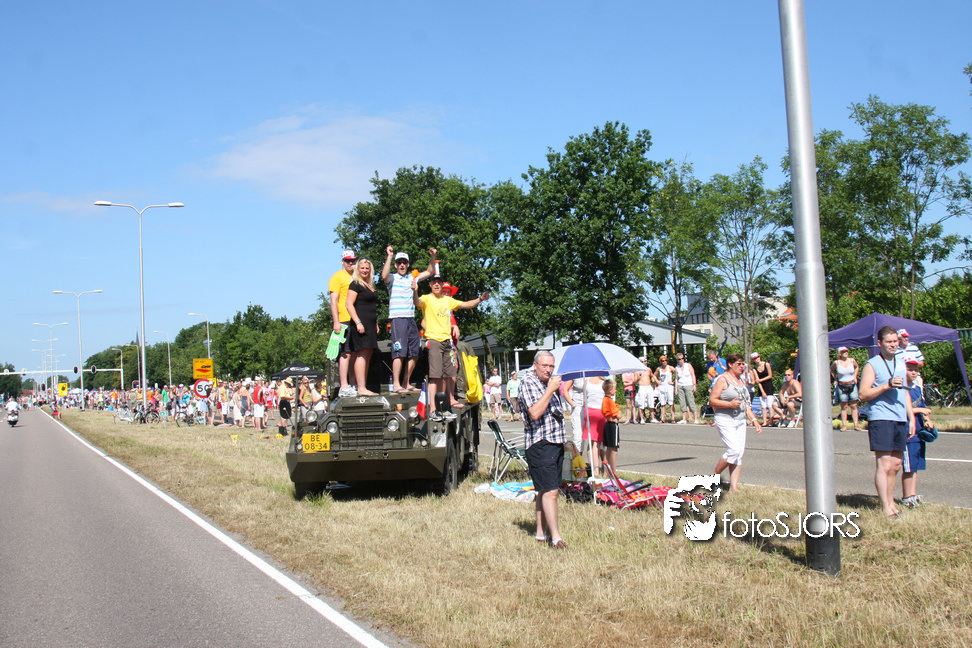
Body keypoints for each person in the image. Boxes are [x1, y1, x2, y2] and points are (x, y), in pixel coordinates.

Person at [414, 274, 489, 421]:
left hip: (447, 342)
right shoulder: (427, 298)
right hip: (434, 341)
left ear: (442, 285)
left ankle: (444, 408)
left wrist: (480, 299)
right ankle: (433, 410)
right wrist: (415, 290)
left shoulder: (447, 300)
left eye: (439, 283)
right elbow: (417, 302)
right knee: (435, 377)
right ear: (430, 285)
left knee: (447, 376)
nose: (437, 285)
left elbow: (466, 304)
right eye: (434, 282)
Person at [858, 325, 915, 519]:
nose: (893, 345)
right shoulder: (872, 364)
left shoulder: (901, 362)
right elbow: (863, 394)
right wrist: (886, 385)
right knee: (884, 464)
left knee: (896, 464)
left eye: (895, 341)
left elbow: (905, 392)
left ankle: (891, 503)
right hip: (881, 417)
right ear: (880, 343)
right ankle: (885, 507)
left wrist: (911, 417)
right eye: (889, 342)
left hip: (899, 417)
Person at [518, 351, 567, 549]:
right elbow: (535, 413)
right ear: (535, 365)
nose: (548, 370)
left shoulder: (547, 383)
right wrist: (551, 390)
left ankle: (541, 534)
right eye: (544, 366)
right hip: (540, 443)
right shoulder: (529, 383)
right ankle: (556, 538)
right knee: (551, 491)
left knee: (544, 490)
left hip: (555, 442)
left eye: (551, 366)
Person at [382, 246, 436, 393]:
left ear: (408, 264)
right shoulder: (392, 277)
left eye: (404, 262)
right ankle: (396, 385)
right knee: (399, 352)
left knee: (415, 352)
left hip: (410, 318)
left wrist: (433, 256)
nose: (402, 265)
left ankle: (406, 383)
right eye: (399, 262)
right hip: (397, 318)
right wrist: (389, 256)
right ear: (395, 265)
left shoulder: (413, 277)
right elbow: (384, 276)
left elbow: (430, 272)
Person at [709, 353, 762, 494]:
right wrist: (729, 404)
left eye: (743, 364)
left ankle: (734, 487)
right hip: (725, 418)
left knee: (739, 454)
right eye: (739, 364)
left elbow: (745, 403)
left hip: (740, 420)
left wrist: (754, 420)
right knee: (733, 450)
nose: (742, 366)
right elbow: (712, 400)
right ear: (730, 364)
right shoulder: (723, 379)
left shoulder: (741, 380)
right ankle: (714, 476)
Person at [346, 257, 380, 396]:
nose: (365, 270)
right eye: (362, 268)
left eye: (367, 268)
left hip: (370, 324)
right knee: (362, 354)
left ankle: (363, 386)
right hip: (361, 324)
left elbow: (370, 306)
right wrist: (358, 322)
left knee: (368, 354)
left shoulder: (369, 285)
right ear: (357, 269)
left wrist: (375, 323)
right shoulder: (355, 284)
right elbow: (349, 304)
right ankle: (360, 387)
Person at [902, 359, 931, 508]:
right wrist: (920, 410)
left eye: (916, 370)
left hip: (919, 431)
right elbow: (903, 409)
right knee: (909, 467)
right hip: (909, 432)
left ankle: (913, 495)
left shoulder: (917, 388)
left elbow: (922, 405)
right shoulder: (902, 389)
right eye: (910, 369)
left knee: (916, 465)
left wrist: (927, 420)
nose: (914, 372)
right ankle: (907, 497)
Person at [329, 250, 357, 398]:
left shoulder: (356, 276)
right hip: (344, 320)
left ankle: (353, 384)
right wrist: (336, 322)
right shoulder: (337, 277)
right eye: (348, 260)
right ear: (342, 261)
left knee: (354, 353)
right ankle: (344, 385)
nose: (350, 263)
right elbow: (333, 300)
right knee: (346, 353)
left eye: (353, 260)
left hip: (356, 319)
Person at [831, 347, 862, 431]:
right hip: (842, 385)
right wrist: (836, 379)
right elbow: (832, 370)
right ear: (840, 353)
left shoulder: (852, 360)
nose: (846, 353)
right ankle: (844, 425)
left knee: (854, 405)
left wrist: (855, 376)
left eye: (847, 351)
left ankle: (856, 424)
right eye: (844, 352)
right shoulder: (836, 362)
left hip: (852, 384)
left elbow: (857, 367)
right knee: (844, 406)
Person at [581, 375, 607, 476]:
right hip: (600, 412)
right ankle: (600, 469)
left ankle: (594, 468)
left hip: (589, 412)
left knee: (592, 442)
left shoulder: (586, 382)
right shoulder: (604, 382)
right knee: (599, 443)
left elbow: (584, 400)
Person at [751, 352, 784, 427]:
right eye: (755, 358)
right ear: (753, 360)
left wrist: (761, 380)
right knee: (763, 405)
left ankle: (771, 421)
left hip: (769, 386)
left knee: (770, 404)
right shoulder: (755, 369)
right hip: (761, 387)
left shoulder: (766, 364)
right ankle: (764, 421)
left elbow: (770, 375)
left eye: (758, 357)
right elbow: (757, 381)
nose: (757, 359)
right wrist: (762, 392)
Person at [600, 378, 621, 477]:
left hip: (607, 424)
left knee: (608, 449)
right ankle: (613, 472)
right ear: (609, 390)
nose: (615, 391)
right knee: (613, 450)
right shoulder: (609, 401)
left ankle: (606, 472)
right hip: (612, 425)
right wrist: (618, 413)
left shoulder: (605, 400)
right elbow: (618, 415)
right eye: (614, 389)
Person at [563, 376, 586, 450]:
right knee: (578, 437)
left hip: (589, 407)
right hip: (578, 407)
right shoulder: (575, 374)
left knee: (587, 438)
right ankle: (576, 456)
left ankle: (581, 455)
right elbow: (565, 389)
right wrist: (573, 404)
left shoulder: (591, 373)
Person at [675, 353, 698, 424]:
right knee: (682, 402)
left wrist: (694, 385)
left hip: (688, 384)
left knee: (690, 401)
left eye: (682, 358)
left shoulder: (688, 365)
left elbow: (693, 375)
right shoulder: (677, 368)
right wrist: (676, 388)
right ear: (677, 360)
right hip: (680, 385)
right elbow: (676, 379)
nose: (681, 360)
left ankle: (696, 418)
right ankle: (684, 419)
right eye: (679, 359)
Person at [654, 356, 676, 424]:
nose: (664, 362)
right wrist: (657, 381)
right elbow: (654, 375)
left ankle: (673, 418)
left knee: (671, 403)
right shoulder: (659, 369)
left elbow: (678, 374)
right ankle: (662, 418)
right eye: (663, 361)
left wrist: (673, 382)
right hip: (662, 387)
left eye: (665, 360)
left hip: (669, 387)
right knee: (662, 403)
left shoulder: (670, 368)